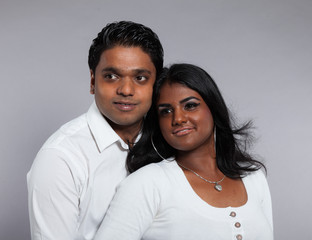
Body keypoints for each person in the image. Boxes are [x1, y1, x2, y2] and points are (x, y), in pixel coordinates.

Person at [94, 63, 273, 240]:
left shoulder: (253, 177)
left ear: (213, 108)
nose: (178, 118)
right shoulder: (147, 184)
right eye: (166, 111)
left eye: (190, 106)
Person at [27, 21, 163, 240]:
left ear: (155, 85)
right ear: (93, 81)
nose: (126, 90)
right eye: (111, 76)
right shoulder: (60, 158)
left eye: (140, 78)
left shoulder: (169, 139)